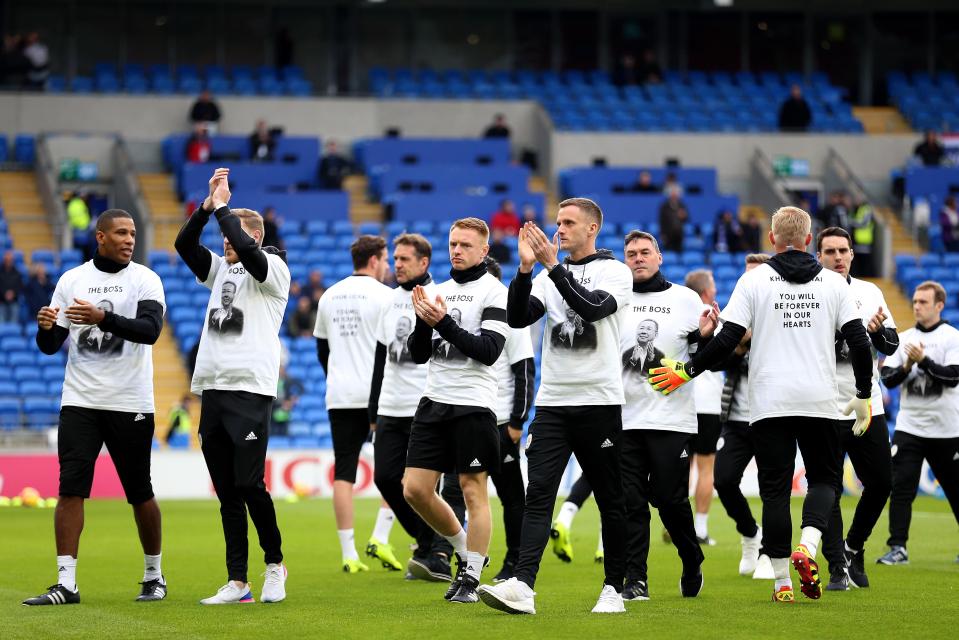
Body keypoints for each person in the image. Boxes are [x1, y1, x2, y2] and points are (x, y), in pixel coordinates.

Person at [645, 206, 875, 603]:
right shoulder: (835, 285)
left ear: (771, 239)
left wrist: (688, 369)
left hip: (768, 402)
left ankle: (782, 581)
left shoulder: (756, 281)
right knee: (824, 481)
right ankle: (809, 545)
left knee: (774, 492)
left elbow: (725, 338)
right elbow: (858, 341)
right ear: (809, 242)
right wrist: (864, 392)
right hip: (819, 399)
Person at [478, 198, 632, 615]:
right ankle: (524, 586)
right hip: (553, 403)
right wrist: (526, 270)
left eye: (568, 223)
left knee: (609, 498)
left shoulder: (615, 272)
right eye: (558, 222)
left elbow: (594, 309)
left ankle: (614, 588)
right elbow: (516, 317)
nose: (559, 229)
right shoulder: (547, 274)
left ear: (592, 229)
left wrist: (552, 266)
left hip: (599, 401)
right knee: (539, 491)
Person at [24, 209, 167, 606]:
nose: (129, 239)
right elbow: (51, 346)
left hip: (130, 401)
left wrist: (103, 317)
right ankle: (66, 584)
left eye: (133, 233)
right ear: (100, 237)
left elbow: (150, 332)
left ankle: (154, 575)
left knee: (140, 492)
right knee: (70, 490)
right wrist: (45, 327)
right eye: (121, 232)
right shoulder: (73, 280)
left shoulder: (145, 279)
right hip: (80, 400)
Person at [174, 167, 289, 604]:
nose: (226, 242)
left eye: (234, 235)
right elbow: (184, 245)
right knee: (226, 492)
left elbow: (247, 250)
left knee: (250, 484)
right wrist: (206, 209)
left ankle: (275, 564)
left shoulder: (273, 269)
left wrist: (225, 208)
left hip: (250, 390)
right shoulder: (221, 270)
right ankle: (237, 581)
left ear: (255, 236)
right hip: (214, 390)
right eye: (224, 235)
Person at [402, 217, 510, 604]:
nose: (457, 251)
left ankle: (470, 576)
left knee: (472, 489)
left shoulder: (495, 292)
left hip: (474, 403)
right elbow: (417, 355)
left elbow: (489, 351)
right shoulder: (436, 290)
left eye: (466, 245)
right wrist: (421, 322)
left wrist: (442, 322)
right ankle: (467, 551)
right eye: (453, 244)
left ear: (484, 251)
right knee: (414, 489)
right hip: (434, 400)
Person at [613, 231, 717, 602]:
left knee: (671, 502)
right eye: (631, 253)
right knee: (631, 503)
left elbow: (707, 359)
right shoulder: (615, 299)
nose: (638, 258)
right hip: (623, 420)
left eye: (645, 252)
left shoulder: (685, 299)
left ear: (659, 257)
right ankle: (635, 579)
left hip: (670, 419)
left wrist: (704, 339)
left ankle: (691, 559)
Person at [368, 233, 461, 582]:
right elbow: (380, 357)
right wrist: (372, 410)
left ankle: (440, 551)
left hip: (426, 403)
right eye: (395, 258)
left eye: (405, 259)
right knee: (386, 478)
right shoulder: (389, 301)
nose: (398, 264)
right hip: (390, 406)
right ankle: (425, 539)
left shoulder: (439, 297)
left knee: (427, 487)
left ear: (424, 262)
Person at [816, 227, 897, 590]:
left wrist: (877, 333)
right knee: (828, 488)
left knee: (882, 482)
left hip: (868, 405)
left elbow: (892, 345)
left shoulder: (870, 291)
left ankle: (854, 547)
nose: (837, 256)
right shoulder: (809, 294)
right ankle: (836, 567)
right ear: (818, 255)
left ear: (851, 255)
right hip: (823, 405)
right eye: (829, 250)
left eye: (842, 250)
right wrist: (852, 335)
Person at [314, 235, 397, 573]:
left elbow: (322, 350)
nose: (389, 266)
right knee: (395, 471)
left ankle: (349, 554)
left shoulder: (328, 296)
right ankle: (379, 536)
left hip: (340, 394)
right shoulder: (387, 296)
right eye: (387, 260)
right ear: (375, 260)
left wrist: (336, 375)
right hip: (379, 396)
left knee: (344, 471)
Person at [877, 280, 959, 566]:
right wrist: (907, 365)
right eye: (914, 301)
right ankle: (898, 547)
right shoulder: (904, 337)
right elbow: (887, 379)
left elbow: (952, 377)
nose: (916, 306)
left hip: (947, 429)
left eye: (923, 302)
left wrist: (922, 360)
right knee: (901, 488)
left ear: (939, 305)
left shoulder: (952, 337)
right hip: (910, 428)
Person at [710, 253, 769, 577]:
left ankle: (768, 553)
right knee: (724, 480)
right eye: (746, 275)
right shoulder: (735, 317)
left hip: (773, 416)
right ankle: (750, 534)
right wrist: (740, 346)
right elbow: (717, 362)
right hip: (736, 418)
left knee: (771, 487)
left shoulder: (782, 314)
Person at [482, 258, 535, 583]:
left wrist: (517, 421)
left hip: (501, 420)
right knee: (458, 491)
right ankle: (459, 558)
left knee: (512, 496)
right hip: (468, 416)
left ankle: (515, 560)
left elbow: (524, 370)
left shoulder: (510, 315)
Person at [685, 269, 723, 547]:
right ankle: (699, 528)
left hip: (682, 400)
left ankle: (679, 525)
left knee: (679, 467)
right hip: (708, 402)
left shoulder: (679, 310)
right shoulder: (713, 316)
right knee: (706, 466)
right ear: (707, 292)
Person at [271, 366, 303, 437]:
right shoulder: (271, 381)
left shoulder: (289, 381)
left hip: (285, 410)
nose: (279, 372)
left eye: (281, 370)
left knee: (284, 433)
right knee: (272, 433)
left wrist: (291, 401)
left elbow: (301, 389)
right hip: (272, 410)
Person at [0, 249, 23, 323]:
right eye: (7, 260)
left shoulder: (17, 273)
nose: (8, 262)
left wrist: (13, 293)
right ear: (4, 260)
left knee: (14, 322)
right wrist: (4, 294)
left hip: (14, 301)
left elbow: (20, 287)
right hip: (1, 301)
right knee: (2, 323)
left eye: (10, 260)